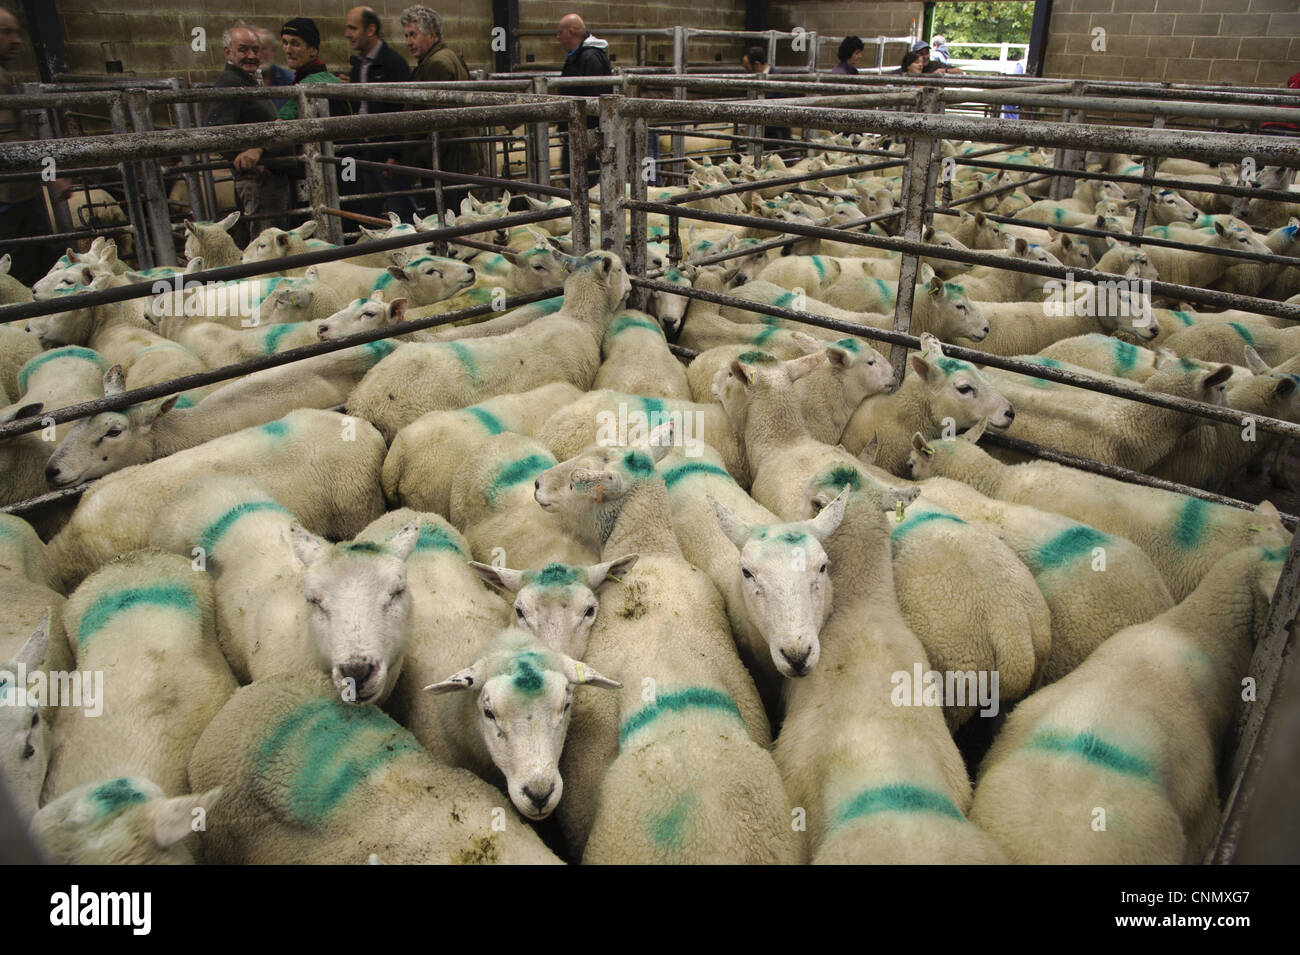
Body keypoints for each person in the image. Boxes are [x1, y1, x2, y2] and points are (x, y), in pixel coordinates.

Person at [205, 22, 292, 242]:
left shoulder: (248, 81)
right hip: (259, 181)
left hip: (267, 178)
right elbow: (215, 131)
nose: (251, 56)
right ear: (228, 52)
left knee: (270, 239)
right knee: (266, 242)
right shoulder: (230, 83)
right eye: (243, 49)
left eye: (255, 49)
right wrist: (244, 158)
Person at [0, 7, 65, 284]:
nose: (16, 40)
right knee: (24, 274)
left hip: (17, 194)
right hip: (11, 198)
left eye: (17, 32)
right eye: (6, 32)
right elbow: (11, 142)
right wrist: (51, 175)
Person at [397, 5, 487, 204]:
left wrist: (418, 158)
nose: (408, 42)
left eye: (413, 34)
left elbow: (441, 122)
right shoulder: (449, 56)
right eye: (406, 36)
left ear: (431, 34)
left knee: (445, 215)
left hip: (447, 163)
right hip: (459, 159)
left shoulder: (436, 64)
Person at [345, 7, 415, 218]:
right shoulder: (359, 66)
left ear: (370, 29)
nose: (347, 34)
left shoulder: (393, 64)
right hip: (365, 150)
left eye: (353, 28)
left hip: (386, 155)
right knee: (369, 211)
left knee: (401, 209)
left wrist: (395, 154)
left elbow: (403, 111)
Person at [556, 13, 611, 181]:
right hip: (575, 129)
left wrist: (592, 137)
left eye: (560, 32)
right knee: (573, 178)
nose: (558, 37)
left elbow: (596, 97)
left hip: (585, 136)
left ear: (571, 31)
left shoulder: (590, 57)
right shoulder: (579, 56)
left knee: (586, 181)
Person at [277, 17, 352, 120]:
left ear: (313, 50)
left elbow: (280, 123)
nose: (288, 50)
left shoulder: (308, 84)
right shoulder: (332, 79)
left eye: (295, 44)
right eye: (285, 43)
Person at [741, 45, 792, 147]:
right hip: (758, 135)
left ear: (757, 64)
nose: (746, 71)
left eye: (747, 67)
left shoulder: (779, 80)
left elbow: (785, 112)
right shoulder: (753, 80)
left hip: (775, 137)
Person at [255, 27, 294, 112]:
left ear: (273, 49)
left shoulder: (290, 80)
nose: (258, 54)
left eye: (263, 48)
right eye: (255, 49)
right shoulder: (240, 82)